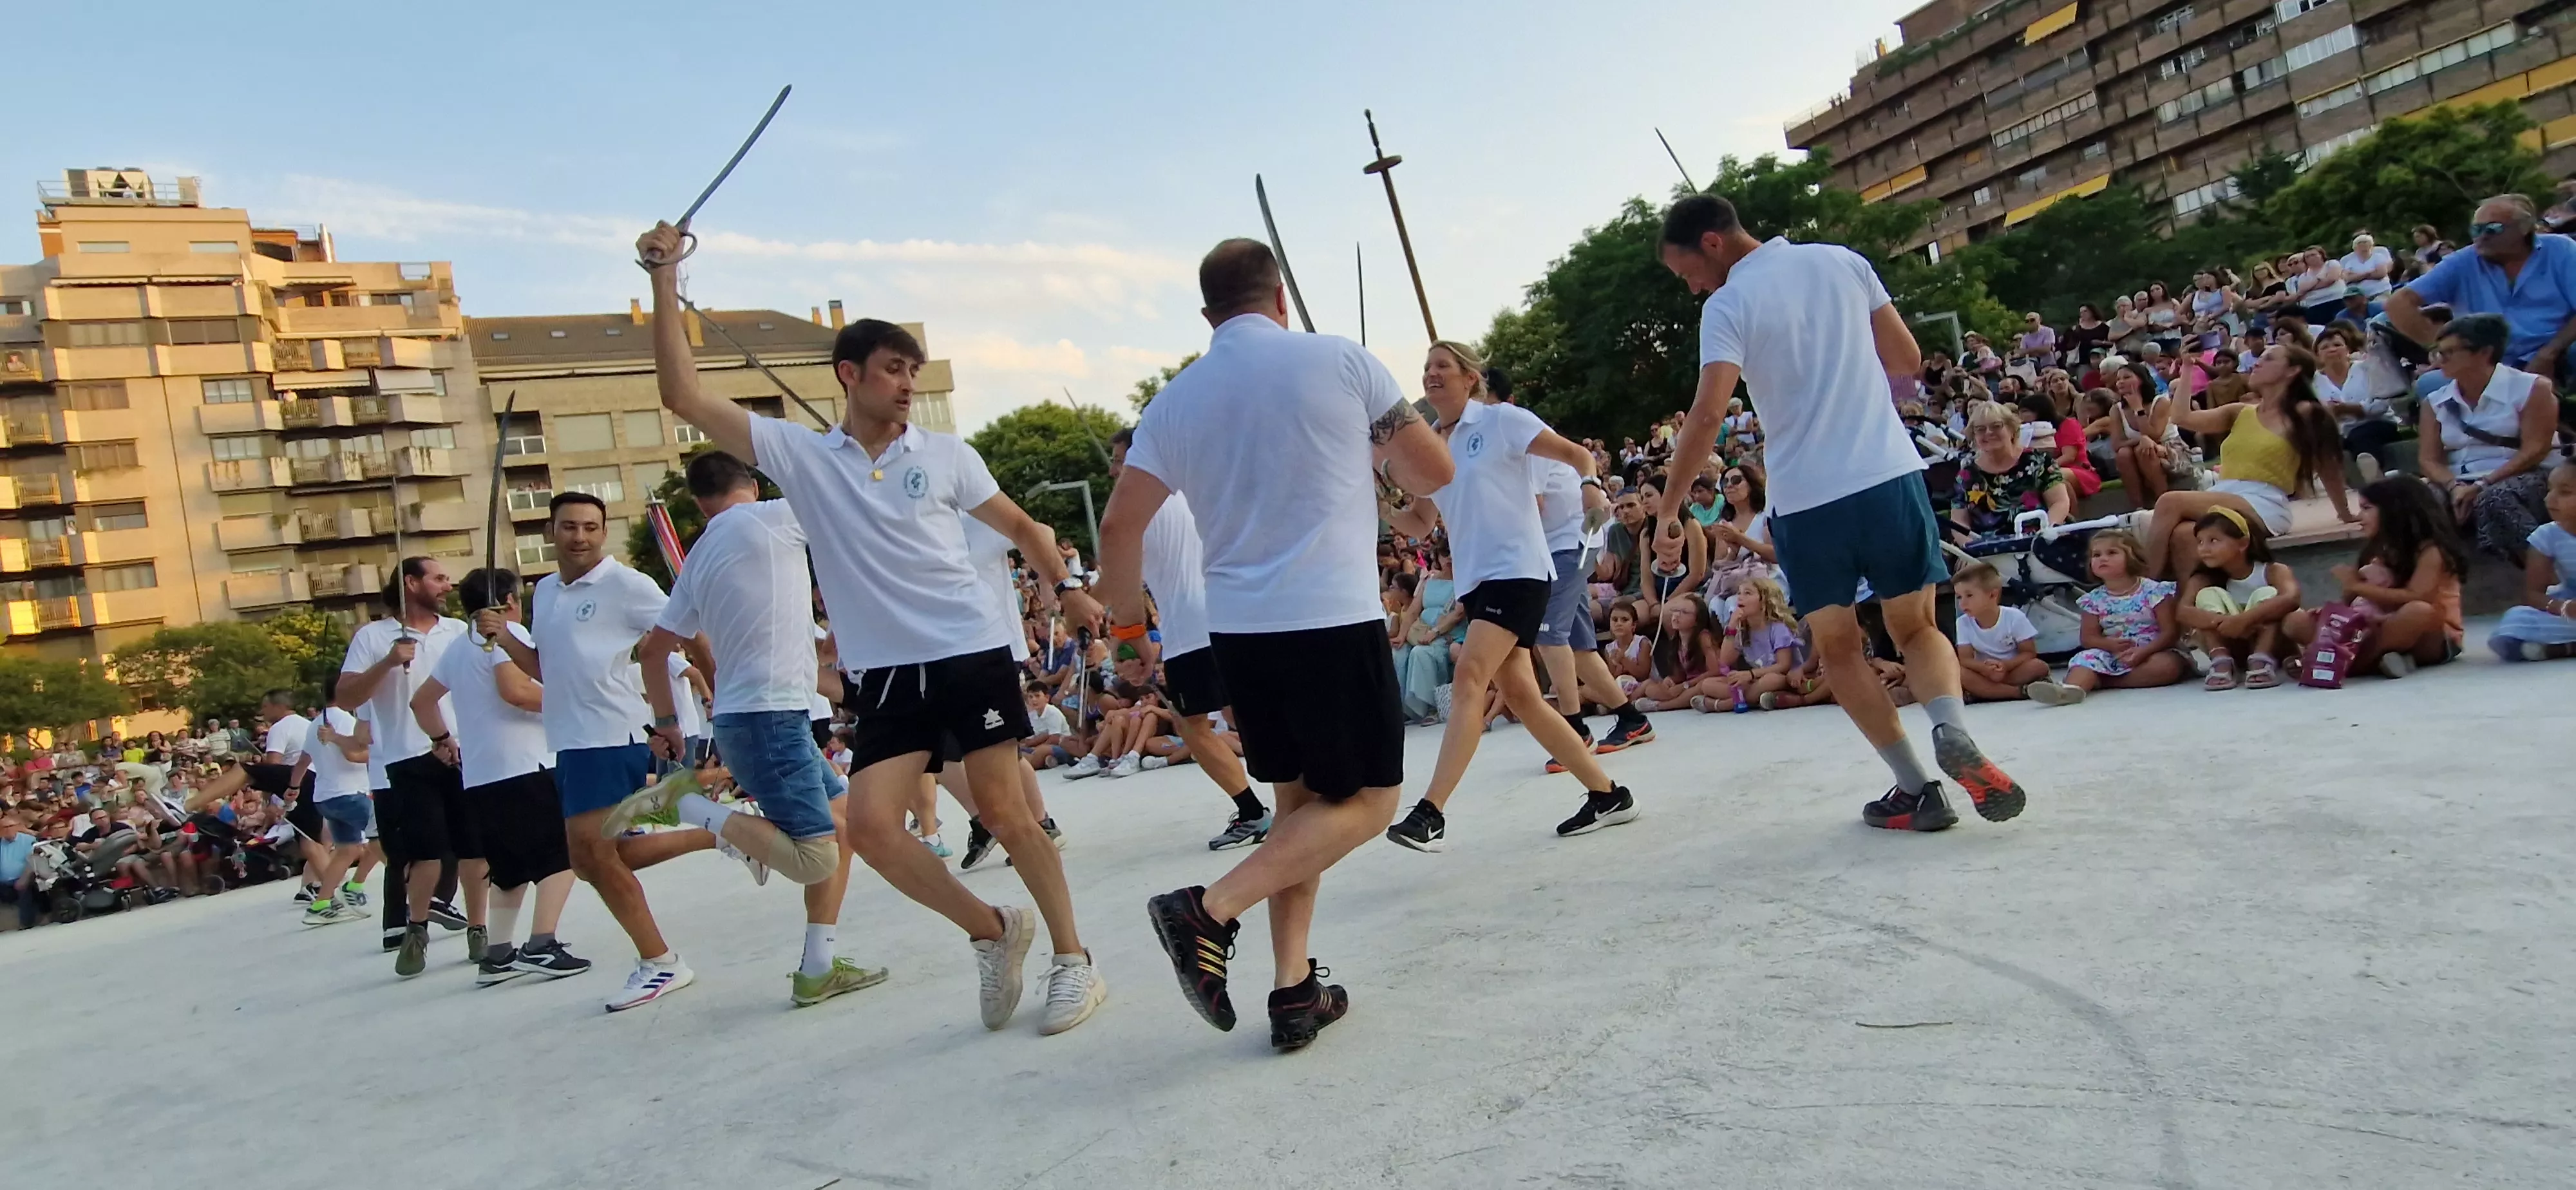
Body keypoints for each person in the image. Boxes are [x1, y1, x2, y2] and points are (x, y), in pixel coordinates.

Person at [641, 222, 1105, 1035]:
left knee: (1006, 812)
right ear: (848, 374)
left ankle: (1074, 961)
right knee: (873, 829)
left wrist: (1065, 589)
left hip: (967, 653)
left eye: (913, 370)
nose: (906, 383)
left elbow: (1024, 527)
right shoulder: (802, 457)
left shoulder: (948, 455)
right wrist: (664, 277)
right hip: (886, 675)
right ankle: (994, 930)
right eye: (893, 368)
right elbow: (682, 396)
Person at [1099, 237, 1452, 1051]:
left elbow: (1118, 527)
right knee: (1370, 802)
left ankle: (1293, 990)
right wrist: (1376, 457)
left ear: (1208, 314)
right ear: (1281, 297)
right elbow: (1432, 473)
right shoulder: (1340, 360)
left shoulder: (1174, 401)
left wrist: (1126, 630)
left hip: (1241, 632)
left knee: (1299, 807)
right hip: (1329, 616)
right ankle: (1208, 910)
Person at [1655, 193, 2026, 833]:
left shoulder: (1728, 304)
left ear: (1711, 243)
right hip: (1886, 474)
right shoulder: (1842, 261)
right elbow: (1906, 360)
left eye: (1686, 271)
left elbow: (1710, 412)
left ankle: (1917, 789)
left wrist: (1669, 507)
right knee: (1916, 628)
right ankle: (1951, 728)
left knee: (1839, 649)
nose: (1692, 287)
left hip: (1806, 500)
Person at [605, 450, 887, 1007]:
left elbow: (654, 651)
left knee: (845, 826)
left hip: (753, 717)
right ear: (752, 487)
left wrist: (667, 723)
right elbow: (856, 498)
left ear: (698, 503)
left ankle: (818, 967)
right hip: (770, 720)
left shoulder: (698, 558)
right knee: (816, 857)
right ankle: (688, 807)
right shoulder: (777, 517)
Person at [482, 492, 742, 1011]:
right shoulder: (546, 592)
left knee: (592, 857)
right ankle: (727, 834)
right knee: (598, 858)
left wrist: (716, 702)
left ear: (604, 533)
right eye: (569, 526)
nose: (580, 537)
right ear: (550, 532)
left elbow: (693, 636)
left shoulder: (627, 584)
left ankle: (660, 961)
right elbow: (548, 670)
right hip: (569, 740)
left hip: (608, 735)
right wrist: (507, 641)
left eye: (590, 527)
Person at [1377, 341, 1639, 849]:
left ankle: (1431, 812)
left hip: (1518, 571)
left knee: (1470, 676)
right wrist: (1382, 506)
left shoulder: (1502, 421)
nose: (1431, 374)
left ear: (1470, 378)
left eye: (1442, 366)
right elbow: (1421, 522)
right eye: (1426, 367)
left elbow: (1576, 453)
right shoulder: (1431, 448)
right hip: (1477, 582)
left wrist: (1590, 485)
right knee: (1522, 696)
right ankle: (1608, 795)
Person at [417, 569, 591, 985]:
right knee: (565, 854)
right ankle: (542, 943)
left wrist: (442, 738)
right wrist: (573, 699)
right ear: (510, 600)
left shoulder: (459, 645)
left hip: (480, 774)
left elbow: (421, 702)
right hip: (524, 765)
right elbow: (516, 691)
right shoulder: (507, 636)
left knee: (509, 869)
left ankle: (496, 955)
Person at [1106, 428, 1272, 851]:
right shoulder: (1185, 491)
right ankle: (1306, 788)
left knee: (1190, 725)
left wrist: (1121, 634)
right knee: (1241, 713)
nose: (1113, 470)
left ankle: (1253, 812)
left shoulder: (1136, 507)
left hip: (1190, 628)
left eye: (1119, 460)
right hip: (1228, 614)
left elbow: (1119, 580)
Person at [336, 557, 474, 970]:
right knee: (422, 853)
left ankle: (480, 930)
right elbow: (346, 697)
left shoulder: (459, 631)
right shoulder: (372, 636)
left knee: (474, 850)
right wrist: (388, 662)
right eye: (439, 578)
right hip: (407, 757)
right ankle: (413, 928)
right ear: (411, 583)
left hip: (465, 753)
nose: (448, 586)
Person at [2142, 345, 2353, 580]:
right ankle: (2189, 599)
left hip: (2264, 501)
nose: (2258, 362)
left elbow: (2327, 465)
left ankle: (2145, 587)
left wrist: (2344, 513)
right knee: (2183, 535)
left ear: (2292, 371)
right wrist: (2188, 368)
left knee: (2170, 501)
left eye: (2269, 358)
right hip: (2225, 492)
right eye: (2259, 358)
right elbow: (2181, 417)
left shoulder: (2308, 413)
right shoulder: (2241, 412)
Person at [2284, 477, 2469, 679]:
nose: (2360, 516)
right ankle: (2383, 659)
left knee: (2419, 611)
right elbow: (2354, 602)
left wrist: (2356, 585)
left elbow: (2418, 596)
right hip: (2373, 628)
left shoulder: (2431, 551)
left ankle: (2344, 664)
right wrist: (2335, 610)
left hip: (2431, 638)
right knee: (2295, 621)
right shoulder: (2376, 550)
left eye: (2367, 508)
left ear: (2395, 511)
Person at [2413, 313, 2560, 563]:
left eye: (2450, 352)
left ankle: (2543, 567)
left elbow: (2536, 449)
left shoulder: (2532, 388)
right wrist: (2454, 487)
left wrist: (2482, 484)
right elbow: (2429, 459)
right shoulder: (2435, 401)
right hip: (2459, 479)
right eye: (2438, 352)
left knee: (2494, 498)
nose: (2440, 360)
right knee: (2417, 500)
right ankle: (2436, 574)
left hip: (2525, 474)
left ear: (2484, 353)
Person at [2388, 194, 2576, 384]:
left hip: (2558, 350)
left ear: (2525, 228)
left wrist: (2549, 353)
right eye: (2476, 229)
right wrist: (2441, 349)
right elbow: (2398, 303)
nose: (2482, 236)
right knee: (2429, 384)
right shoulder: (2462, 262)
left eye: (2493, 228)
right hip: (2486, 362)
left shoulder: (2560, 250)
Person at [2033, 528, 2183, 704]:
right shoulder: (2093, 600)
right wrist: (2108, 645)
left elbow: (2170, 632)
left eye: (2112, 553)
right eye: (2096, 555)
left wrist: (2144, 652)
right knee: (2084, 660)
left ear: (2132, 556)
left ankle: (2102, 681)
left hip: (2153, 650)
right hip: (2114, 654)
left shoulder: (2154, 591)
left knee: (2167, 666)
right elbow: (2088, 638)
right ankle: (2068, 690)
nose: (2102, 559)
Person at [2175, 508, 2300, 690]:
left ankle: (2261, 659)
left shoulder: (2273, 571)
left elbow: (2292, 598)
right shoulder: (2203, 579)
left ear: (2243, 544)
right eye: (2200, 542)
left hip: (2274, 647)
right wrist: (2226, 622)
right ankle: (2221, 660)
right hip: (2233, 644)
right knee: (2206, 596)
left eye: (2213, 541)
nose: (2204, 549)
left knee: (2269, 594)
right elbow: (2183, 611)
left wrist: (2245, 620)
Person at [298, 675, 377, 928]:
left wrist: (292, 787)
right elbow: (355, 755)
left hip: (326, 797)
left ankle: (321, 903)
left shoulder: (314, 724)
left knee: (348, 850)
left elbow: (303, 759)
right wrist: (380, 753)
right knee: (386, 838)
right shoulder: (345, 720)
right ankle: (409, 892)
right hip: (350, 794)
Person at [2488, 458, 2576, 660]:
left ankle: (2564, 649)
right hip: (2571, 607)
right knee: (2517, 619)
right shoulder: (2546, 536)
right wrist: (2564, 607)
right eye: (2550, 490)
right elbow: (2534, 595)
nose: (2550, 499)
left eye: (2565, 492)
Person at [1948, 399, 2070, 540]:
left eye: (1996, 426)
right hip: (1988, 548)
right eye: (1980, 429)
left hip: (2039, 541)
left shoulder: (2039, 461)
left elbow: (2059, 502)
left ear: (2012, 430)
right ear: (1974, 436)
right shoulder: (1967, 474)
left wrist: (2047, 533)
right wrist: (1969, 546)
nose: (1988, 433)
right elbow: (1959, 522)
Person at [1949, 561, 2048, 702]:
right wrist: (1984, 669)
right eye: (1959, 597)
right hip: (1984, 673)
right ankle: (2017, 692)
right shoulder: (1963, 623)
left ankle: (1985, 692)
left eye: (1969, 596)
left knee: (2039, 667)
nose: (1962, 603)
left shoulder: (2014, 617)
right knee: (1959, 673)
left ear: (1992, 595)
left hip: (2012, 670)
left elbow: (2029, 652)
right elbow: (1965, 660)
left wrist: (2006, 666)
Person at [2340, 234, 2395, 307]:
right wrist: (2369, 273)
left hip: (2381, 292)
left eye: (2366, 247)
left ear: (2371, 247)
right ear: (2355, 248)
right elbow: (2348, 278)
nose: (2364, 250)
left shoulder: (2378, 257)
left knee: (2377, 308)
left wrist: (2357, 276)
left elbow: (2381, 274)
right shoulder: (2350, 262)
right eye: (2360, 247)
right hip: (2361, 298)